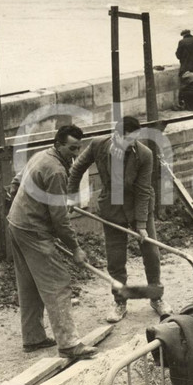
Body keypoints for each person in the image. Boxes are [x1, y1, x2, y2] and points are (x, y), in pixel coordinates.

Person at [5, 124, 98, 360]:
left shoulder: (41, 155)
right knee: (58, 282)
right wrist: (75, 249)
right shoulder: (56, 170)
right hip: (33, 231)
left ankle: (33, 338)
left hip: (16, 224)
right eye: (71, 149)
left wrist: (26, 206)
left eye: (78, 149)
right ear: (58, 144)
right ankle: (68, 344)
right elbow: (60, 220)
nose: (75, 154)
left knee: (29, 284)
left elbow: (16, 182)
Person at [68, 116, 172, 323]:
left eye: (135, 139)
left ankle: (156, 298)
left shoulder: (145, 154)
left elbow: (144, 190)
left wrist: (141, 225)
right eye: (127, 140)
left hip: (138, 207)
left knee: (151, 252)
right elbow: (77, 168)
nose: (131, 144)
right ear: (116, 135)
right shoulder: (98, 145)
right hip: (112, 209)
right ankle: (120, 302)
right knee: (116, 259)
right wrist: (71, 196)